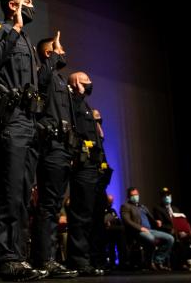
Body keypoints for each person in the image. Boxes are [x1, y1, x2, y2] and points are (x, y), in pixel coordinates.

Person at [0, 0, 43, 281]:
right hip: (12, 120)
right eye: (27, 2)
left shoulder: (27, 40)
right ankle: (6, 258)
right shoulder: (1, 29)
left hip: (28, 121)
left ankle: (18, 256)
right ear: (12, 6)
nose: (32, 7)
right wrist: (16, 28)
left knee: (22, 193)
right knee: (10, 192)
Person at [31, 33, 77, 278]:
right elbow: (40, 80)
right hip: (49, 148)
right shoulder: (45, 75)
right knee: (48, 206)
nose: (63, 52)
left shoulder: (60, 80)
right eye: (59, 48)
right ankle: (44, 259)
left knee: (55, 204)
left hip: (63, 148)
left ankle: (49, 258)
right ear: (49, 54)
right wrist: (52, 59)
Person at [66, 71, 107, 277]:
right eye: (86, 81)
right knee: (80, 215)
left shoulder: (87, 107)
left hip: (93, 167)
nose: (90, 83)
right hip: (82, 168)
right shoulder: (74, 103)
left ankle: (89, 258)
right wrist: (79, 94)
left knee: (90, 215)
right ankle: (78, 260)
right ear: (77, 84)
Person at [120, 186, 174, 271]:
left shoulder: (143, 206)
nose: (135, 196)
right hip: (137, 231)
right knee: (151, 239)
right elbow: (127, 221)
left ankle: (158, 260)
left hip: (150, 230)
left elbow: (151, 219)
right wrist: (140, 228)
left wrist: (156, 222)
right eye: (133, 195)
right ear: (129, 197)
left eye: (136, 194)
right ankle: (150, 263)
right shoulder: (125, 206)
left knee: (170, 238)